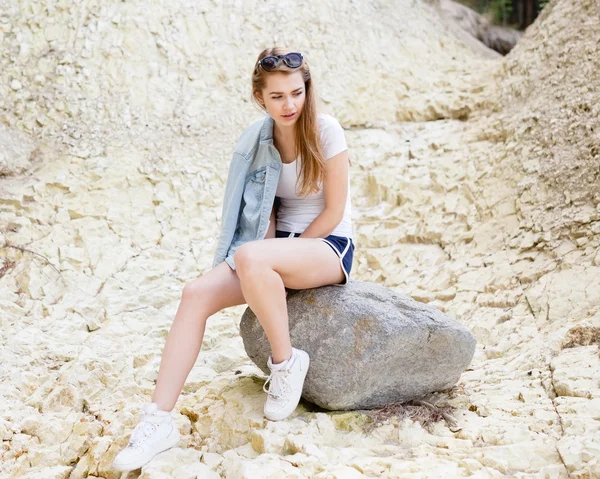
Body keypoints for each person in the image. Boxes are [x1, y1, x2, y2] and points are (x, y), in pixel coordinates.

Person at [112, 47, 355, 472]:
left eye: (296, 93)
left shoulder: (327, 131)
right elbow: (259, 215)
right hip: (271, 252)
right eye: (277, 96)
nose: (289, 105)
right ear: (260, 97)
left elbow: (334, 211)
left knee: (252, 258)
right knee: (194, 294)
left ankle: (286, 363)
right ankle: (158, 421)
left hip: (326, 246)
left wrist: (271, 256)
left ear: (307, 90)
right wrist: (249, 260)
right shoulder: (256, 142)